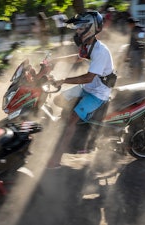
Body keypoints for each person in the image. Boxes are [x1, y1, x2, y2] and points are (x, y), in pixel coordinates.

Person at [47, 11, 116, 169]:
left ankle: (57, 159)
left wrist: (63, 80)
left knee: (72, 118)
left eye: (79, 28)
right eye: (76, 28)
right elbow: (77, 57)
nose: (76, 31)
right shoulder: (88, 45)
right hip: (88, 88)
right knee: (59, 100)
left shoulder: (100, 51)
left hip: (98, 93)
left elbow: (88, 77)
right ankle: (67, 132)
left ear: (89, 29)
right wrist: (55, 61)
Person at [126, 17, 145, 81]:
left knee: (136, 68)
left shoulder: (138, 30)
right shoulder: (138, 29)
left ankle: (136, 80)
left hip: (136, 52)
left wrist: (128, 53)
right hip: (138, 51)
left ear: (131, 24)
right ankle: (136, 79)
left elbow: (140, 41)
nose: (129, 26)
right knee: (135, 67)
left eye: (129, 25)